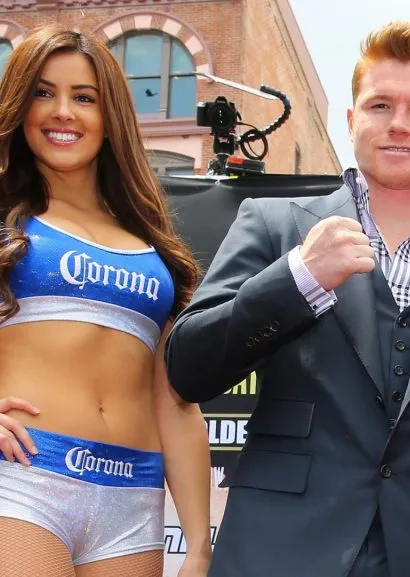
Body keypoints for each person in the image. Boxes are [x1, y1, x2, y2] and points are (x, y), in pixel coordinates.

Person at [163, 20, 410, 577]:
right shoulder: (274, 227)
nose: (398, 124)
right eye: (379, 105)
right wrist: (298, 278)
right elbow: (188, 369)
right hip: (279, 552)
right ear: (350, 121)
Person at [0, 24, 211, 577]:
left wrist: (198, 546)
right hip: (24, 480)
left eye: (84, 97)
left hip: (132, 498)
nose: (63, 111)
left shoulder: (153, 248)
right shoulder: (7, 224)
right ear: (19, 107)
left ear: (110, 114)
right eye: (43, 93)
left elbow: (176, 402)